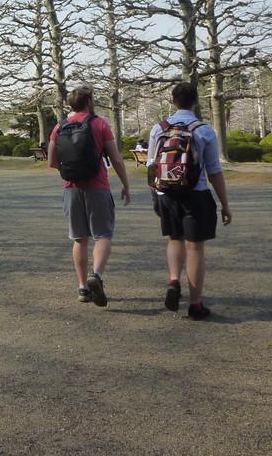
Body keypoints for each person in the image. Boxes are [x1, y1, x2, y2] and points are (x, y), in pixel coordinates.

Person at [147, 82, 232, 320]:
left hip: (167, 194)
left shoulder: (159, 128)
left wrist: (156, 196)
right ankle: (196, 304)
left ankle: (174, 280)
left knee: (175, 239)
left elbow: (151, 166)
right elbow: (214, 171)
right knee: (195, 247)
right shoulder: (204, 130)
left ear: (173, 101)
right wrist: (224, 204)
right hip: (196, 194)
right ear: (195, 101)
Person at [48, 84, 131, 307]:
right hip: (98, 186)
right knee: (102, 235)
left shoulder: (59, 126)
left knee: (79, 239)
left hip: (71, 188)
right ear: (89, 101)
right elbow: (116, 158)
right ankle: (98, 276)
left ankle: (83, 287)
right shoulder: (99, 124)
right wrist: (125, 185)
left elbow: (52, 161)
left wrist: (70, 169)